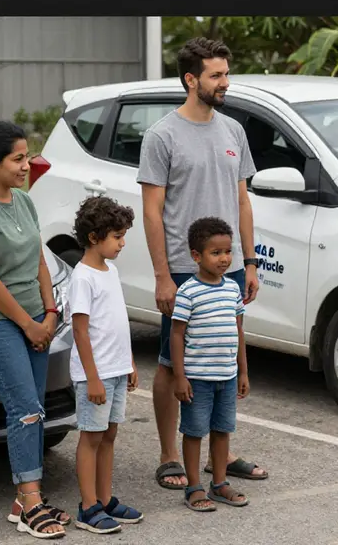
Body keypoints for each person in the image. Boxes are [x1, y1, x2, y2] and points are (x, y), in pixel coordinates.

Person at [137, 36, 268, 490]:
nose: (225, 82)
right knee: (173, 363)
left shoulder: (233, 130)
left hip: (229, 267)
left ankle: (221, 455)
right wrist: (161, 275)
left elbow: (243, 202)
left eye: (226, 73)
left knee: (225, 356)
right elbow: (152, 211)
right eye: (216, 75)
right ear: (191, 80)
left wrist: (249, 263)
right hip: (180, 266)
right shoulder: (162, 135)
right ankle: (169, 454)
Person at [0, 121, 70, 540]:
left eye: (27, 156)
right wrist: (28, 325)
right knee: (23, 407)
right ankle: (31, 503)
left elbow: (39, 260)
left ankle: (25, 499)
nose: (27, 165)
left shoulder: (23, 202)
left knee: (35, 407)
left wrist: (50, 312)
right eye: (18, 158)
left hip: (36, 318)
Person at [69, 196, 143, 533]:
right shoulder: (83, 277)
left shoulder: (110, 270)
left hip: (115, 369)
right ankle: (87, 507)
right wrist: (93, 378)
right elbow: (81, 332)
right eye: (117, 236)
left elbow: (117, 322)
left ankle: (105, 498)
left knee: (109, 434)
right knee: (91, 437)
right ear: (94, 237)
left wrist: (127, 362)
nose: (122, 243)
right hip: (94, 375)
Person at [171, 217, 250, 511]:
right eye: (216, 253)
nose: (224, 259)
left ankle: (219, 483)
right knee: (193, 432)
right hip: (198, 379)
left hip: (227, 376)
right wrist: (180, 377)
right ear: (196, 256)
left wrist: (243, 371)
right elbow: (177, 335)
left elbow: (238, 331)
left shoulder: (231, 289)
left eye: (228, 252)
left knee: (222, 430)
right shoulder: (188, 292)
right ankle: (194, 487)